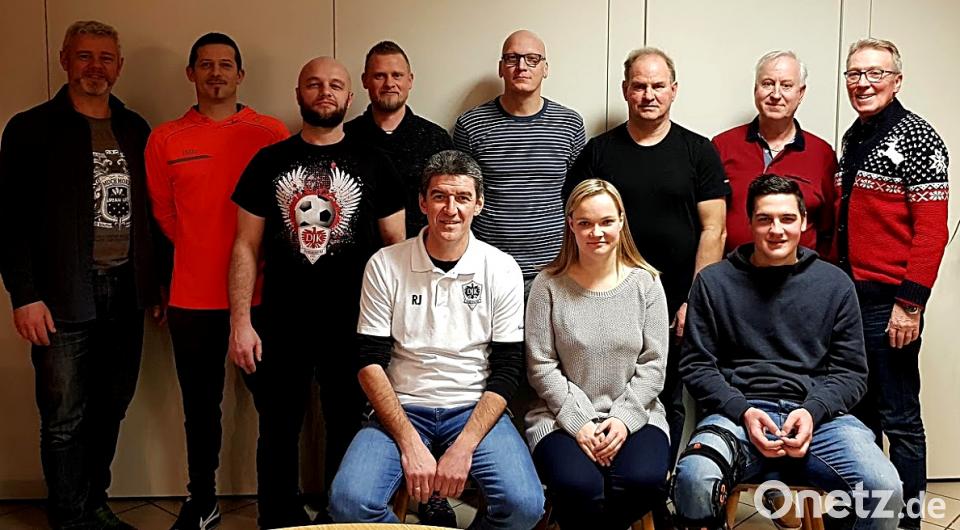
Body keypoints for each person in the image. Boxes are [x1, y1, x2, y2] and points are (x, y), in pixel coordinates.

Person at [228, 56, 405, 528]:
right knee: (278, 425)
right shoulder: (268, 162)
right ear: (298, 94)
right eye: (313, 84)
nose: (325, 92)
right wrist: (240, 322)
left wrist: (396, 324)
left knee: (346, 422)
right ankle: (278, 518)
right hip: (279, 320)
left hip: (354, 321)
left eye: (335, 85)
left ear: (350, 96)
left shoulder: (376, 162)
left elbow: (396, 247)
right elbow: (245, 246)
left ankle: (338, 516)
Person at [0, 20, 161, 530]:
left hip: (127, 293)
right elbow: (10, 221)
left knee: (110, 407)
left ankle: (94, 503)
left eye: (106, 57)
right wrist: (24, 295)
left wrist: (155, 283)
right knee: (63, 419)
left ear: (119, 66)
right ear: (65, 60)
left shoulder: (135, 128)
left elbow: (154, 214)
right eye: (85, 55)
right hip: (61, 295)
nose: (96, 66)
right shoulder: (30, 128)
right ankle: (68, 518)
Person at [672, 174, 902, 530]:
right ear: (750, 222)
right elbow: (697, 365)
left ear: (804, 222)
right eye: (765, 219)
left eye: (787, 218)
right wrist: (743, 411)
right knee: (693, 478)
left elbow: (851, 373)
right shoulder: (713, 282)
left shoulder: (834, 284)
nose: (776, 230)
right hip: (738, 418)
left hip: (819, 420)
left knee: (884, 488)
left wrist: (812, 411)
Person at [328, 150, 544, 530]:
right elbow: (369, 363)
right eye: (440, 196)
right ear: (422, 202)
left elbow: (509, 369)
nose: (451, 209)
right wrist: (410, 443)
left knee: (524, 506)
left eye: (462, 198)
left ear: (478, 204)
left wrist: (464, 446)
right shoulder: (385, 264)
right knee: (348, 504)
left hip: (473, 408)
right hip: (402, 407)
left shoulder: (501, 268)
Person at [145, 32, 289, 530]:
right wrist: (202, 251)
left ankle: (277, 505)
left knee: (275, 407)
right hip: (192, 298)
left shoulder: (270, 133)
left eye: (225, 65)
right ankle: (202, 500)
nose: (215, 73)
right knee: (200, 409)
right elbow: (165, 216)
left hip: (263, 296)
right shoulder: (165, 139)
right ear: (191, 73)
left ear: (240, 75)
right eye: (205, 64)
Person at [564, 47, 729, 464]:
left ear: (674, 90)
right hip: (602, 301)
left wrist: (695, 300)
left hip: (676, 302)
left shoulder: (698, 151)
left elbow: (715, 228)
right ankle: (605, 477)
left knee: (667, 398)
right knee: (603, 396)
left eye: (658, 86)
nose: (649, 95)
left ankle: (658, 484)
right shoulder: (598, 152)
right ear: (625, 90)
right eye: (639, 86)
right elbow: (575, 222)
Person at [836, 38, 949, 530]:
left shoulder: (919, 137)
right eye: (854, 74)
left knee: (899, 419)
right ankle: (869, 516)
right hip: (850, 301)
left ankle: (907, 522)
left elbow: (932, 232)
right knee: (860, 417)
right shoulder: (853, 137)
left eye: (875, 73)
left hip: (891, 302)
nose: (863, 83)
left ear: (897, 81)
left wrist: (910, 304)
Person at [525, 179, 671, 530]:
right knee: (579, 486)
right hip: (559, 416)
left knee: (641, 480)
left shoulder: (647, 283)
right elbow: (541, 366)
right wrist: (580, 422)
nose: (597, 232)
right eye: (585, 223)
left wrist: (622, 419)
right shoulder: (547, 285)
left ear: (621, 221)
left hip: (638, 414)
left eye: (606, 222)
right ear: (571, 225)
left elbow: (654, 365)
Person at [454, 29, 586, 295]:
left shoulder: (569, 124)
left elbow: (579, 197)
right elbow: (462, 197)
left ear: (545, 68)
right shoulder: (471, 125)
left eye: (532, 59)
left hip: (554, 269)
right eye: (512, 58)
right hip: (487, 268)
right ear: (501, 68)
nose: (522, 66)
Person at [712, 50, 836, 254]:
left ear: (801, 93)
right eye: (768, 84)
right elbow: (709, 224)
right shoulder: (722, 146)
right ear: (755, 89)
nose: (776, 95)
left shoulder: (822, 154)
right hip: (733, 268)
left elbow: (829, 230)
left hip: (800, 271)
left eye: (786, 85)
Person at [345, 40, 453, 238]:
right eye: (379, 76)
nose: (389, 83)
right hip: (359, 254)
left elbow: (449, 203)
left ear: (410, 80)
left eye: (397, 75)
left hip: (422, 251)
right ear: (365, 80)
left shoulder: (436, 139)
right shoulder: (346, 138)